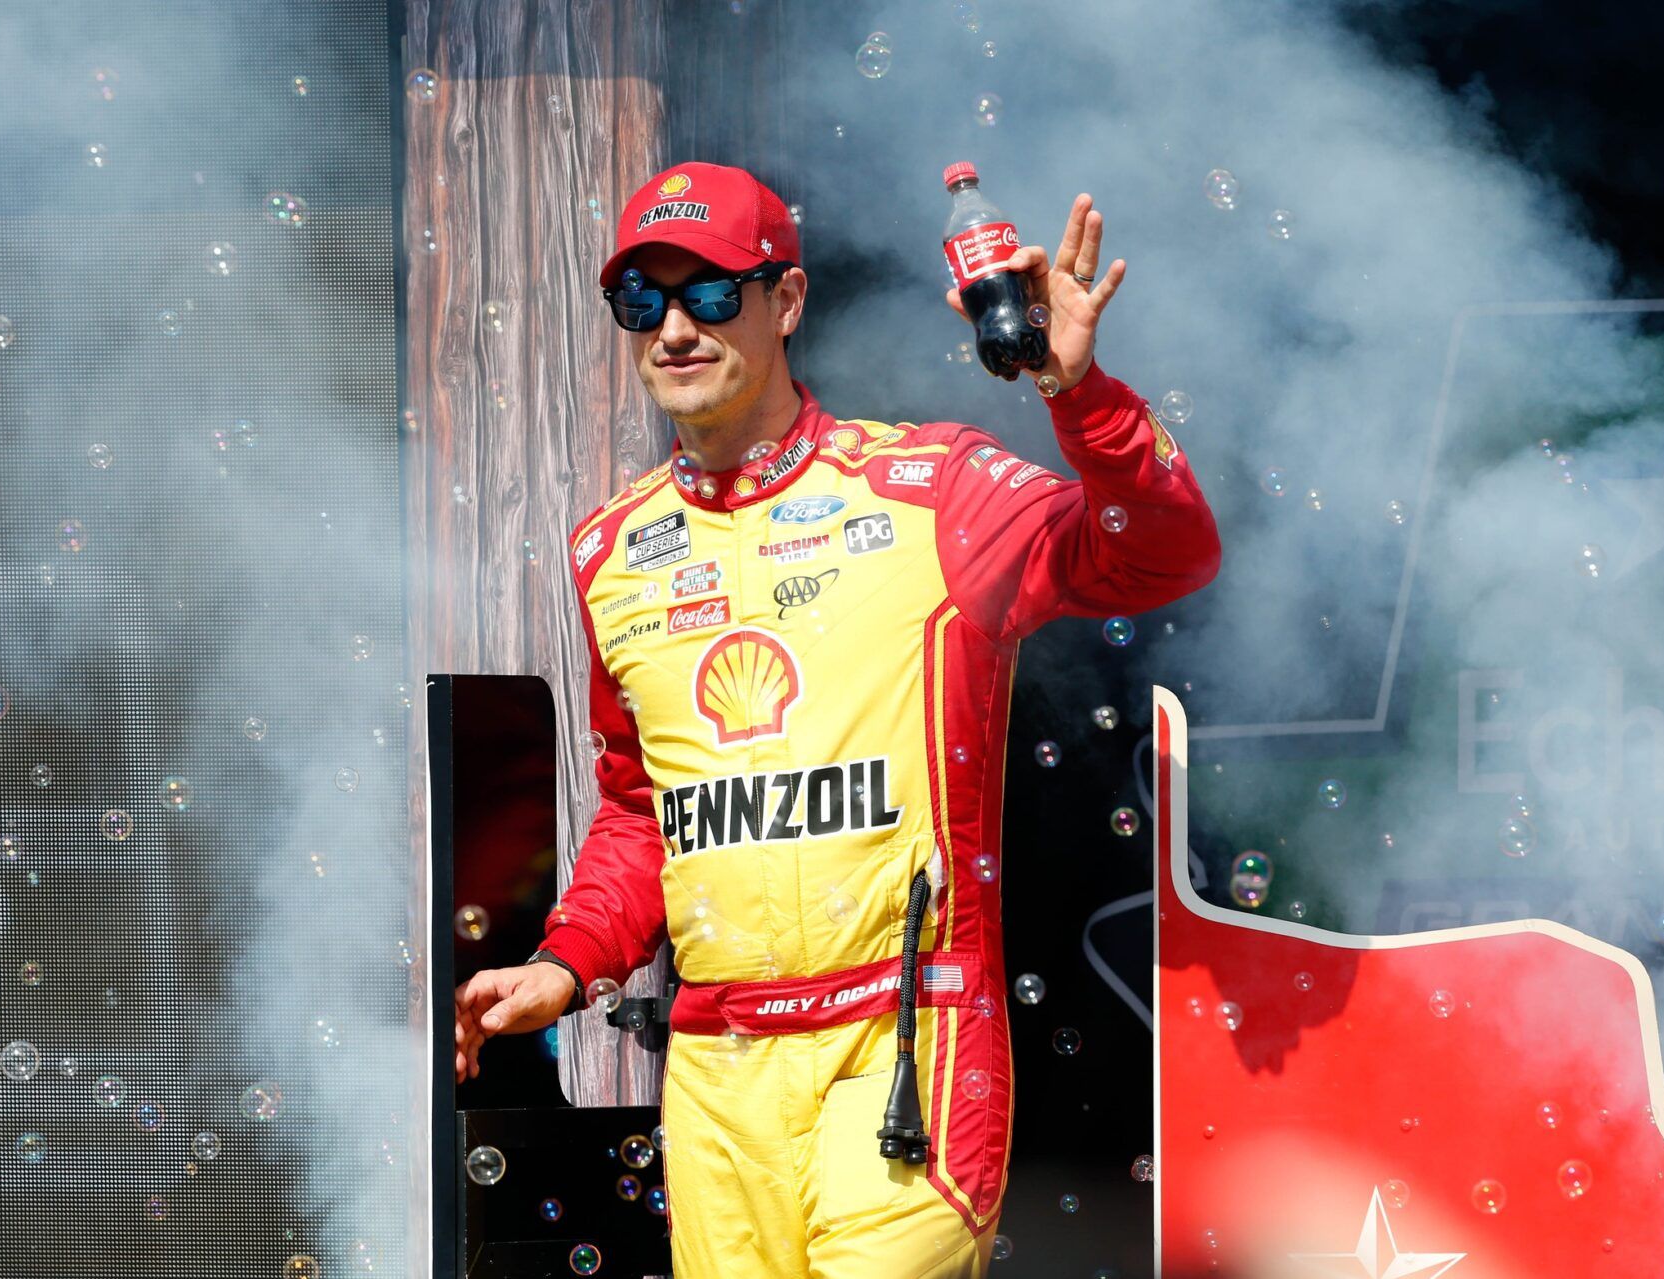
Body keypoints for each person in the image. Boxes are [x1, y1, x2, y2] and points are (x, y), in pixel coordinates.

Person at [453, 161, 1220, 1278]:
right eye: (642, 301)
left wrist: (1079, 394)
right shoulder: (609, 551)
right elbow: (641, 815)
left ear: (787, 300)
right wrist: (569, 964)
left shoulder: (934, 488)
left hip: (906, 1043)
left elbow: (1165, 549)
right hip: (715, 1075)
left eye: (712, 293)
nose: (675, 327)